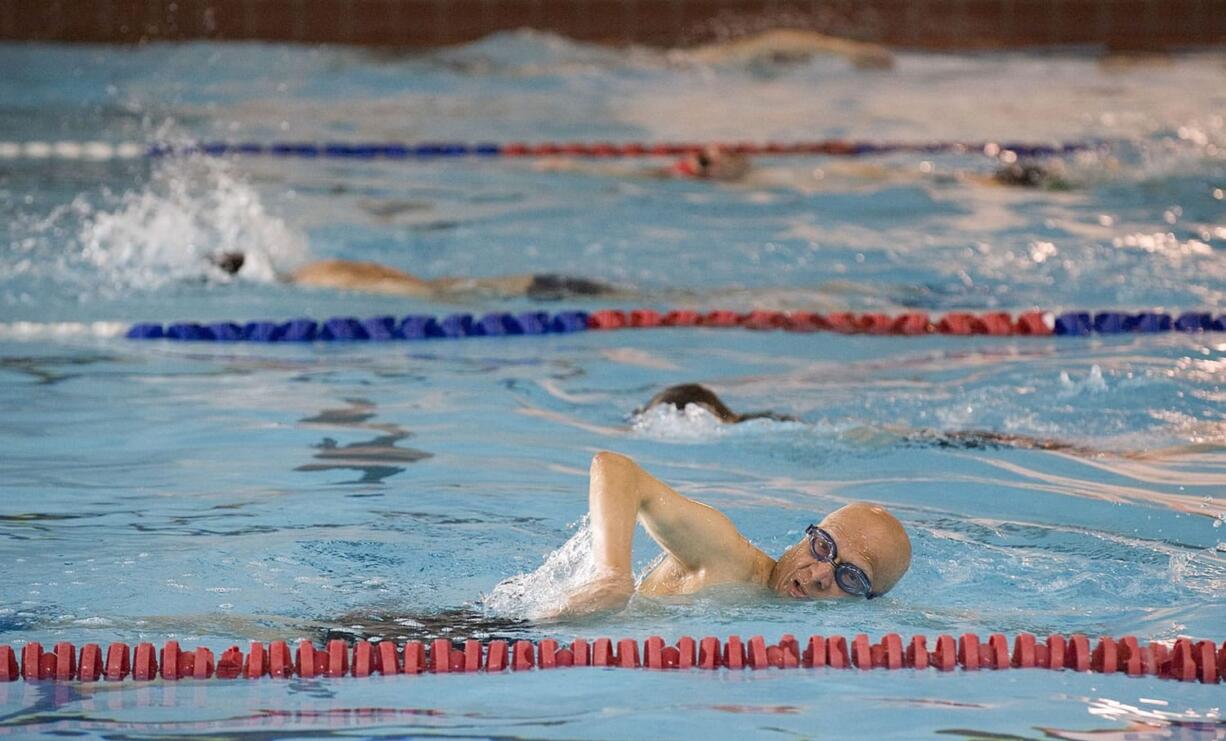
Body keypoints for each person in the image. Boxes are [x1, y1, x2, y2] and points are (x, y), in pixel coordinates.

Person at [554, 451, 911, 617]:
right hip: (520, 635)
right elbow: (615, 469)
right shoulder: (725, 558)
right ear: (806, 537)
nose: (819, 575)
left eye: (849, 577)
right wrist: (611, 575)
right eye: (822, 547)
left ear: (866, 602)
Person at [207, 251, 617, 300]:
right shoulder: (315, 266)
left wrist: (445, 301)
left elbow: (396, 285)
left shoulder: (317, 280)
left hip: (497, 292)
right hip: (509, 281)